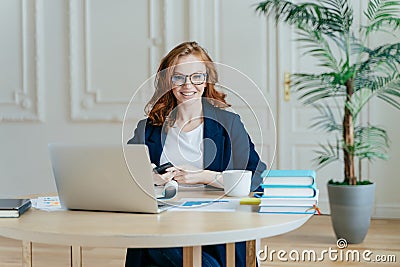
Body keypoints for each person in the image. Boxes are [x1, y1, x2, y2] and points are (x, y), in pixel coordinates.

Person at [126, 41, 266, 267]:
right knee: (153, 240)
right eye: (178, 77)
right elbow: (126, 172)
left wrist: (204, 176)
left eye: (196, 77)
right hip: (162, 225)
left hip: (215, 227)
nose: (187, 85)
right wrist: (149, 176)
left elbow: (255, 178)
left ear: (207, 79)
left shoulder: (229, 124)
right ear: (167, 81)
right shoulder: (148, 128)